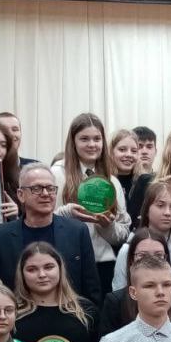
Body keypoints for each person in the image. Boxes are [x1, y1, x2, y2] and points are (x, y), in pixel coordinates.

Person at [0, 164, 103, 305]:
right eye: (37, 188)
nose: (45, 194)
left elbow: (91, 286)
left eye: (50, 188)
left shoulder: (77, 231)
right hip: (18, 314)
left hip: (69, 313)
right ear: (21, 195)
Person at [52, 115, 132, 297]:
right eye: (84, 139)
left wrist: (107, 226)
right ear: (73, 142)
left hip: (102, 266)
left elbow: (122, 235)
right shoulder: (57, 175)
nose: (92, 144)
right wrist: (66, 214)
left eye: (97, 139)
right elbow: (43, 220)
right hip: (65, 264)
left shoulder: (112, 181)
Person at [111, 179, 171, 312]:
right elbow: (119, 297)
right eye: (160, 205)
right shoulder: (128, 250)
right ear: (146, 209)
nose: (167, 212)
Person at [100, 229, 171, 337]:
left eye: (158, 255)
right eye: (142, 256)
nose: (151, 261)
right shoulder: (115, 302)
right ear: (131, 260)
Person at [107, 128, 144, 218]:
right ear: (111, 152)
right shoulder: (103, 181)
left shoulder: (144, 182)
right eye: (122, 149)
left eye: (134, 151)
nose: (129, 155)